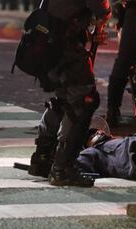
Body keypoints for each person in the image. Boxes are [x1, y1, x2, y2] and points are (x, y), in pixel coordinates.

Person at [27, 0, 112, 187]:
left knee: (64, 98)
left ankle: (42, 157)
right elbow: (103, 9)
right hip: (64, 47)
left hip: (46, 45)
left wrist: (88, 33)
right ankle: (63, 167)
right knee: (84, 101)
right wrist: (102, 17)